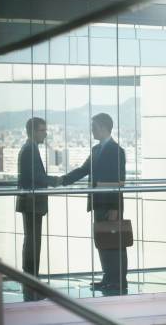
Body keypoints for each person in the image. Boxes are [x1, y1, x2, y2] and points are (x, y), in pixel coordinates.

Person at [62, 113, 127, 295]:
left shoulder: (116, 150)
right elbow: (84, 170)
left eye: (93, 127)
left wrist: (115, 208)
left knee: (115, 243)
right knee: (103, 242)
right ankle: (108, 278)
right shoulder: (96, 150)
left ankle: (118, 281)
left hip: (111, 205)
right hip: (98, 202)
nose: (91, 131)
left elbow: (119, 181)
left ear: (103, 127)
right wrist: (62, 180)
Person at [16, 117, 60, 301]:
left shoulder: (30, 148)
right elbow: (37, 176)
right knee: (33, 241)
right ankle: (31, 277)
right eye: (43, 130)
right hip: (32, 201)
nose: (45, 133)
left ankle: (31, 276)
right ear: (33, 131)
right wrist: (56, 181)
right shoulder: (30, 149)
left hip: (32, 201)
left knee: (33, 240)